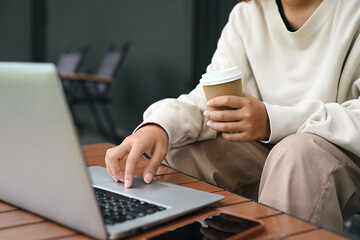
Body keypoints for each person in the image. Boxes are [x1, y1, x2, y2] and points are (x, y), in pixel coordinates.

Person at [105, 0, 360, 233]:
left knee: (297, 154)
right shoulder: (247, 14)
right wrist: (159, 126)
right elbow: (212, 99)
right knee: (175, 151)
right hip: (265, 151)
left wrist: (273, 120)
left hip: (339, 154)